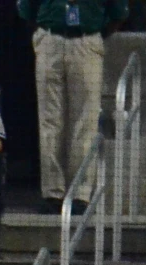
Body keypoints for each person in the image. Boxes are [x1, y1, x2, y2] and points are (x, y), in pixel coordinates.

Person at [21, 0, 118, 207]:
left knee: (86, 120)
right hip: (50, 39)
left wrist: (93, 33)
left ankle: (80, 193)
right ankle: (52, 192)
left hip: (86, 41)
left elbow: (118, 12)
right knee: (50, 120)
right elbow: (26, 9)